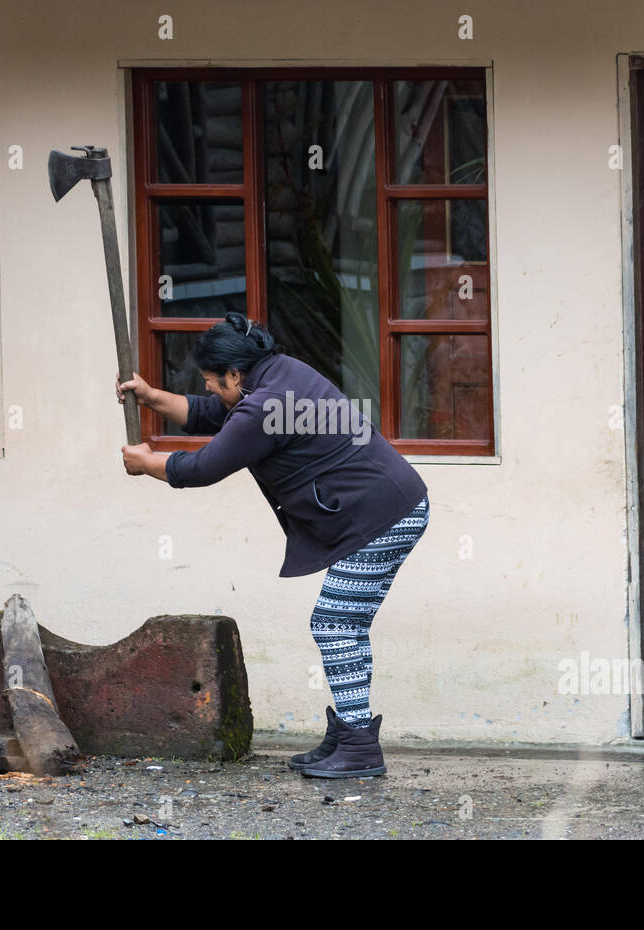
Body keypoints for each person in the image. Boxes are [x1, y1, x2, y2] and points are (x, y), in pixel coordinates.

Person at [117, 311, 429, 778]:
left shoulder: (266, 404)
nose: (208, 389)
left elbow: (204, 467)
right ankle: (350, 733)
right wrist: (150, 396)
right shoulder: (279, 374)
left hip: (383, 516)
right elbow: (216, 414)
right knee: (344, 621)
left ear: (235, 373)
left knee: (335, 622)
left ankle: (360, 746)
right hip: (390, 506)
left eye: (210, 381)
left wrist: (148, 464)